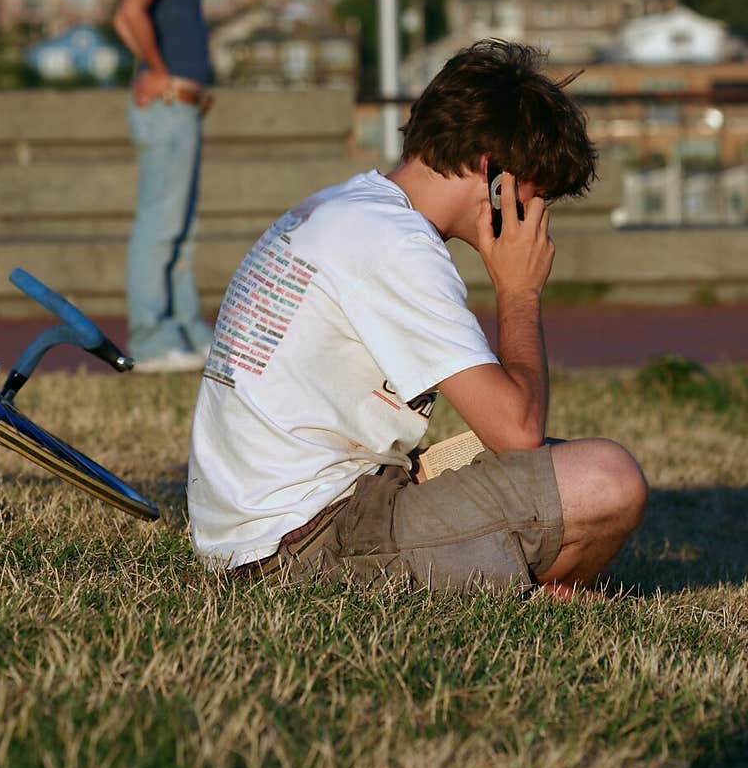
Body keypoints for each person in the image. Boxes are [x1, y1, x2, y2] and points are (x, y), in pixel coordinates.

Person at [186, 39, 647, 597]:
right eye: (535, 195)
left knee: (553, 462)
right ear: (494, 175)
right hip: (301, 545)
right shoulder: (396, 245)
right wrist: (519, 292)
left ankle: (525, 574)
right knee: (608, 480)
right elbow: (517, 432)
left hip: (259, 525)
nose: (537, 219)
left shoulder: (348, 209)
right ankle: (550, 592)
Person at [113, 0, 215, 373]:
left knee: (180, 227)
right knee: (160, 224)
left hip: (182, 107)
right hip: (168, 106)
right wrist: (157, 68)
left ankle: (186, 329)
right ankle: (152, 339)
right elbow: (129, 11)